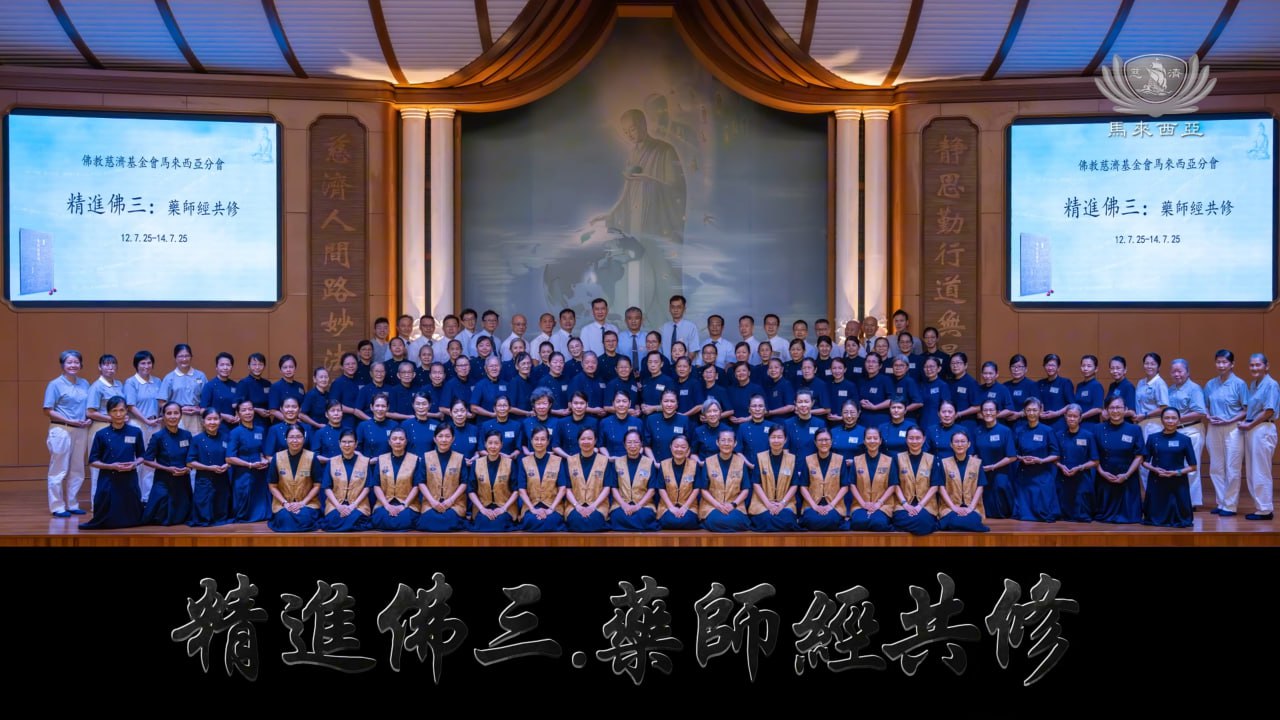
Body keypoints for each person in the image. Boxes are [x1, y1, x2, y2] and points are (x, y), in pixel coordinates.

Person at [81, 396, 145, 529]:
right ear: (108, 413)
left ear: (127, 411)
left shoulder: (136, 432)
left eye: (121, 410)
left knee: (132, 516)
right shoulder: (101, 434)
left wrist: (134, 464)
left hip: (129, 478)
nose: (118, 414)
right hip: (108, 478)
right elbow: (93, 461)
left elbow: (142, 456)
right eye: (114, 411)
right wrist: (111, 466)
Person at [44, 350, 92, 518]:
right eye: (69, 362)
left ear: (81, 364)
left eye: (76, 362)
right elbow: (48, 410)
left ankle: (72, 503)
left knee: (77, 468)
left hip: (81, 430)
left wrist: (88, 419)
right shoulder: (55, 384)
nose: (73, 365)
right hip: (61, 430)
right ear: (63, 365)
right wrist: (70, 420)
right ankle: (57, 506)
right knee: (59, 469)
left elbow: (89, 407)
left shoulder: (85, 383)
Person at [1204, 350, 1248, 516]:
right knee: (1216, 467)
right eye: (1218, 362)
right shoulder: (1210, 384)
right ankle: (1221, 502)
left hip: (1233, 429)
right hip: (1214, 428)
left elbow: (1246, 410)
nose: (1221, 365)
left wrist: (1229, 420)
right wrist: (1208, 416)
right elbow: (1205, 406)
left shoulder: (1239, 384)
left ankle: (1230, 505)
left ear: (1232, 364)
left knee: (1232, 467)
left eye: (1224, 362)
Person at [1141, 408, 1198, 528]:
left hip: (1178, 481)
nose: (1170, 421)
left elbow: (1193, 467)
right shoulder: (1152, 438)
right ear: (1161, 420)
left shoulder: (1185, 439)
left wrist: (1176, 472)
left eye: (1173, 418)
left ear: (1179, 420)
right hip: (1157, 480)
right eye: (1167, 418)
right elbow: (1144, 462)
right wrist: (1155, 469)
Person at [140, 401, 193, 526]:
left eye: (176, 413)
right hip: (164, 480)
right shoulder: (157, 436)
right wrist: (167, 468)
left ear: (181, 415)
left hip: (183, 480)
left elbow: (191, 457)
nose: (173, 416)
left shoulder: (187, 435)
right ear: (163, 416)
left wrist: (188, 468)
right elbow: (147, 460)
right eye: (169, 413)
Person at [1094, 396, 1145, 524]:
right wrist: (1102, 472)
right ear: (1106, 410)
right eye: (1111, 408)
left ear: (1126, 409)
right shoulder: (1097, 429)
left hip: (1128, 478)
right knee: (1102, 519)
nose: (1115, 411)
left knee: (1130, 519)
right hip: (1105, 477)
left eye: (1118, 407)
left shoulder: (1135, 429)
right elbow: (1093, 455)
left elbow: (1139, 456)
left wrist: (1126, 475)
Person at [1239, 353, 1278, 520]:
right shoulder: (1254, 384)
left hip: (1262, 428)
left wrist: (1250, 424)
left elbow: (1269, 411)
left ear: (1266, 366)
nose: (1254, 368)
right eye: (1252, 365)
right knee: (1253, 471)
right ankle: (1260, 506)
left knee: (1261, 470)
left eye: (1258, 365)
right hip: (1253, 429)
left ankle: (1265, 509)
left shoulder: (1271, 384)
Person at [1011, 397, 1062, 522]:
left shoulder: (1048, 430)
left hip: (1042, 474)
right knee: (1023, 516)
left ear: (1040, 410)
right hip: (1024, 475)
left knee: (1044, 514)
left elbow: (1056, 454)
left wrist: (1041, 460)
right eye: (1028, 410)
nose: (1032, 413)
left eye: (1034, 410)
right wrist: (1021, 458)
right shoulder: (1019, 430)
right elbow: (1013, 452)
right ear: (1024, 411)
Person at [1166, 358, 1207, 511]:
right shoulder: (1170, 389)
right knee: (1177, 466)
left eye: (1180, 371)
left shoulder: (1194, 389)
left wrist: (1176, 418)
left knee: (1191, 467)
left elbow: (1200, 412)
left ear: (1187, 372)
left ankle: (1191, 502)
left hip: (1191, 430)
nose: (1177, 374)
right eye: (1173, 372)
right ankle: (1179, 499)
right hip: (1175, 432)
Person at [86, 354, 125, 508]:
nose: (110, 367)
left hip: (116, 429)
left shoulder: (119, 384)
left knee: (115, 464)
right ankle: (97, 505)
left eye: (113, 364)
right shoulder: (96, 386)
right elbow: (90, 412)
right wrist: (112, 418)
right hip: (100, 428)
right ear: (99, 367)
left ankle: (114, 503)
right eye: (106, 364)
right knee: (99, 468)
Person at [125, 350, 164, 503]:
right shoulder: (131, 382)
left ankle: (147, 497)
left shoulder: (158, 381)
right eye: (143, 363)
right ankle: (135, 497)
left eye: (149, 363)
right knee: (138, 460)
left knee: (150, 460)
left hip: (155, 424)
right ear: (136, 365)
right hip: (137, 424)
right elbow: (131, 406)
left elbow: (162, 402)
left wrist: (159, 418)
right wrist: (146, 421)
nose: (146, 366)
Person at [265, 425, 321, 532]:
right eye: (291, 437)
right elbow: (272, 486)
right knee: (285, 518)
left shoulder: (312, 457)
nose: (295, 440)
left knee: (304, 517)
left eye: (298, 437)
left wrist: (302, 503)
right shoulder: (277, 457)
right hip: (284, 504)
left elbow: (317, 485)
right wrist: (285, 503)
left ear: (304, 438)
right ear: (286, 439)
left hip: (307, 504)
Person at [934, 429, 989, 532]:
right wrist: (954, 507)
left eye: (963, 441)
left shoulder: (977, 463)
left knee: (970, 519)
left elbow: (980, 487)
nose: (960, 444)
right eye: (956, 441)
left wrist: (971, 508)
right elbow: (941, 487)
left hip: (972, 507)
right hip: (950, 507)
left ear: (969, 444)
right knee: (956, 519)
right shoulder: (944, 463)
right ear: (951, 445)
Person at [226, 398, 271, 523]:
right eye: (244, 410)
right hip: (243, 473)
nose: (248, 412)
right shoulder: (235, 432)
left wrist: (264, 460)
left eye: (250, 409)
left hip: (260, 471)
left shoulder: (260, 430)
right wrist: (250, 465)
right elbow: (229, 458)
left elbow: (262, 452)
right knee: (244, 509)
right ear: (238, 413)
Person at [748, 425, 801, 531]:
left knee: (787, 520)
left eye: (779, 437)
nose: (776, 440)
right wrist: (768, 504)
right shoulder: (760, 457)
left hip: (785, 503)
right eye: (773, 437)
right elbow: (756, 484)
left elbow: (794, 485)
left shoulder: (792, 459)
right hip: (762, 503)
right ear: (768, 439)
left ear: (785, 440)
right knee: (767, 519)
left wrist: (782, 504)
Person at [318, 430, 372, 532]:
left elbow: (367, 487)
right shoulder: (332, 461)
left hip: (358, 505)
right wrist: (338, 506)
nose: (347, 445)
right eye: (344, 442)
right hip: (336, 504)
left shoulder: (365, 462)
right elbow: (327, 488)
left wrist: (352, 506)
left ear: (356, 444)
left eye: (350, 442)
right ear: (339, 443)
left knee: (356, 520)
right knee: (334, 519)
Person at [370, 426, 422, 531]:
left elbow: (416, 486)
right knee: (381, 517)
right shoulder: (381, 459)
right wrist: (387, 505)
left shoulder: (415, 460)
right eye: (394, 439)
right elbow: (376, 485)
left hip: (408, 504)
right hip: (385, 502)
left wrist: (403, 505)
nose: (398, 442)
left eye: (401, 439)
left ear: (406, 442)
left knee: (405, 518)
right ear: (389, 442)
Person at [186, 407, 232, 527]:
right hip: (204, 480)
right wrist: (209, 468)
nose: (212, 422)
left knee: (222, 509)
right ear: (203, 421)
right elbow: (190, 462)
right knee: (203, 514)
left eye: (215, 419)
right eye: (209, 419)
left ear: (220, 420)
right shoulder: (196, 439)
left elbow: (232, 457)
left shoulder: (226, 437)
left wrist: (227, 465)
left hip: (222, 479)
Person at [518, 426, 568, 531]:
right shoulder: (524, 462)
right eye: (536, 439)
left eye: (543, 439)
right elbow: (521, 490)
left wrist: (551, 509)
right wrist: (533, 509)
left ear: (548, 441)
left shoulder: (557, 461)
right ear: (531, 441)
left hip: (553, 506)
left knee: (551, 521)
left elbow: (562, 489)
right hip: (531, 506)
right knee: (532, 520)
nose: (539, 442)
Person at [890, 427, 940, 535]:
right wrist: (905, 505)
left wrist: (920, 505)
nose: (914, 441)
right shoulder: (897, 458)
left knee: (923, 521)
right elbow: (895, 484)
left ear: (924, 439)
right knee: (909, 520)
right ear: (906, 439)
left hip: (926, 505)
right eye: (911, 438)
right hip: (903, 504)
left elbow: (935, 486)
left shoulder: (932, 459)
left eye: (918, 438)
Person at [798, 428, 849, 531]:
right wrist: (815, 506)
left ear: (831, 441)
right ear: (815, 442)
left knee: (832, 520)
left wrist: (831, 506)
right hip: (812, 505)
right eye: (820, 440)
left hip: (834, 505)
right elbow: (803, 487)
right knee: (811, 520)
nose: (824, 443)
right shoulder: (808, 460)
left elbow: (845, 487)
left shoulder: (840, 459)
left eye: (826, 439)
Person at [974, 400, 1017, 519]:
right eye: (985, 410)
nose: (988, 413)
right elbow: (974, 453)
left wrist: (994, 466)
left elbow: (1012, 456)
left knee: (1000, 486)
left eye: (991, 410)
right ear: (981, 413)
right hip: (982, 471)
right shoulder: (977, 431)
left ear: (997, 412)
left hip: (1001, 471)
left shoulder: (1005, 431)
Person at [564, 427, 613, 532]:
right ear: (578, 441)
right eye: (583, 439)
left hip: (598, 505)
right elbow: (567, 488)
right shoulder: (570, 461)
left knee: (593, 520)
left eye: (589, 439)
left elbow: (607, 487)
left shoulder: (604, 460)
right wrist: (577, 506)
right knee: (576, 520)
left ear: (595, 441)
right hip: (575, 504)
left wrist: (593, 506)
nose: (586, 442)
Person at [468, 430, 519, 532]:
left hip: (505, 507)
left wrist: (503, 508)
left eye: (496, 443)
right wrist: (482, 509)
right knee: (484, 521)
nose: (493, 446)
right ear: (485, 444)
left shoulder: (510, 463)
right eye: (490, 443)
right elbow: (471, 490)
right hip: (482, 507)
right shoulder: (477, 464)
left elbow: (516, 490)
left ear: (501, 445)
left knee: (499, 523)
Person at [1133, 353, 1171, 489]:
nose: (1149, 366)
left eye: (1152, 364)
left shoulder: (1160, 384)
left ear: (1158, 366)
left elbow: (1164, 407)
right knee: (1143, 460)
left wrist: (1144, 415)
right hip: (1141, 425)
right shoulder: (1141, 382)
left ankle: (1157, 493)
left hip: (1154, 425)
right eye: (1146, 363)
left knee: (1154, 460)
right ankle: (1148, 494)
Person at [1056, 404, 1099, 522]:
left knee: (1081, 515)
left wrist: (1080, 467)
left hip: (1082, 477)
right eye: (1069, 416)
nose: (1072, 419)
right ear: (1065, 416)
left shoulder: (1088, 436)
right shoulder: (1058, 435)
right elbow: (1054, 458)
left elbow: (1095, 461)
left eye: (1075, 416)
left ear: (1080, 418)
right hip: (1063, 477)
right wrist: (1060, 466)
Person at [610, 429, 659, 531]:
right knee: (617, 516)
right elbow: (613, 488)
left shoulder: (649, 463)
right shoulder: (617, 462)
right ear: (624, 445)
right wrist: (624, 505)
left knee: (645, 516)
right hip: (622, 504)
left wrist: (638, 506)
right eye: (629, 442)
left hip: (643, 504)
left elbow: (652, 489)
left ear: (641, 444)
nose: (633, 446)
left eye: (636, 442)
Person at [848, 426, 895, 531]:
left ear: (880, 441)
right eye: (869, 438)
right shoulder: (857, 460)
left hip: (883, 505)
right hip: (860, 504)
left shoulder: (889, 461)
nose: (872, 441)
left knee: (878, 523)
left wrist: (879, 503)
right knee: (858, 523)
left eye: (875, 438)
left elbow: (892, 485)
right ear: (864, 441)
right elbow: (852, 484)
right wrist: (863, 504)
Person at [656, 434, 702, 530]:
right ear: (670, 447)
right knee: (670, 520)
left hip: (689, 506)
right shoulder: (663, 464)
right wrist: (671, 507)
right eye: (676, 446)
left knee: (686, 520)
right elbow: (661, 488)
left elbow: (696, 488)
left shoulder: (694, 465)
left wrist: (685, 507)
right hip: (667, 506)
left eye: (683, 447)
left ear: (688, 450)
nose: (679, 449)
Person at [160, 343, 207, 435]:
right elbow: (161, 402)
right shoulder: (169, 378)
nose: (184, 359)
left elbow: (207, 400)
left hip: (196, 417)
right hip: (177, 417)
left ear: (191, 357)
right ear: (175, 358)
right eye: (180, 356)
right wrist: (178, 409)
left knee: (196, 441)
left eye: (187, 356)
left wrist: (199, 410)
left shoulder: (200, 376)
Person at [644, 389, 691, 462]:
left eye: (672, 401)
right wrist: (654, 463)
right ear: (661, 403)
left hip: (678, 463)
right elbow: (646, 446)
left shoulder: (684, 420)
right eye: (666, 401)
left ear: (677, 404)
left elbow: (689, 446)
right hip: (657, 464)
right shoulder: (651, 419)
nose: (669, 405)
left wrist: (679, 462)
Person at [1037, 354, 1074, 432]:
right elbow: (1037, 402)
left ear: (1058, 367)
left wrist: (1057, 413)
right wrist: (1039, 412)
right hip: (1042, 423)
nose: (1050, 368)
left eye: (1053, 365)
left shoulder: (1065, 382)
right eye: (1047, 365)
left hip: (1059, 423)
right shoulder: (1039, 383)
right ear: (1044, 366)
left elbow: (1071, 404)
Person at [356, 394, 398, 458]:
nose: (380, 409)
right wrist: (367, 461)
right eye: (377, 406)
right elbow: (356, 450)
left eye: (383, 406)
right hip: (369, 462)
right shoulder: (363, 426)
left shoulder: (394, 425)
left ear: (388, 407)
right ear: (371, 407)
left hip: (389, 463)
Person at [268, 354, 305, 423]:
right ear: (280, 370)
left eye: (291, 367)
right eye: (285, 367)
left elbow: (302, 407)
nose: (288, 370)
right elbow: (273, 411)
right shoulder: (275, 386)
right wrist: (290, 421)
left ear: (295, 369)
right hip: (281, 424)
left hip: (297, 424)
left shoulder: (300, 386)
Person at [1075, 355, 1106, 424]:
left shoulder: (1097, 386)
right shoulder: (1079, 385)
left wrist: (1081, 416)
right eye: (1083, 366)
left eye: (1089, 366)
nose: (1085, 368)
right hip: (1078, 423)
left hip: (1091, 424)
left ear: (1096, 369)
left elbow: (1098, 409)